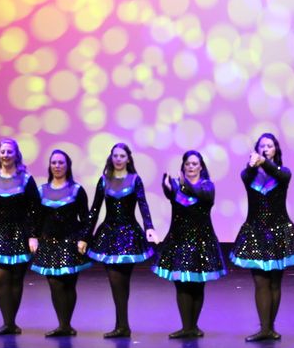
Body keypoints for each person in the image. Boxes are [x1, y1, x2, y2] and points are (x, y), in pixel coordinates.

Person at [229, 133, 294, 342]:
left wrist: (264, 162)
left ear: (276, 150)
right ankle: (264, 328)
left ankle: (271, 327)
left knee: (274, 282)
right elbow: (245, 175)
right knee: (260, 282)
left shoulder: (283, 173)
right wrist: (253, 165)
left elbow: (279, 174)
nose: (265, 148)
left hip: (279, 232)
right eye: (262, 146)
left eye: (269, 146)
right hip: (255, 233)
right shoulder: (249, 175)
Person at [86, 143, 158, 338]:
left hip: (129, 236)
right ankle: (122, 325)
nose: (118, 159)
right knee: (115, 281)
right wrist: (85, 236)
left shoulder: (135, 180)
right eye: (115, 156)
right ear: (111, 158)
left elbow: (143, 205)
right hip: (109, 235)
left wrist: (149, 227)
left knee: (122, 282)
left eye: (122, 156)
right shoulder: (104, 180)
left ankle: (122, 325)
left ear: (128, 159)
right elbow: (94, 210)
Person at [153, 150, 227, 338]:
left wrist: (184, 184)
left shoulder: (207, 186)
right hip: (179, 241)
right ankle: (187, 327)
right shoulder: (176, 185)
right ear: (183, 166)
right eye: (187, 164)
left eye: (194, 164)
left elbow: (203, 196)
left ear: (201, 167)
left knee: (197, 284)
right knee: (181, 284)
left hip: (202, 241)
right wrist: (166, 187)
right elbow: (171, 196)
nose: (191, 167)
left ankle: (193, 326)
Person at [0, 138, 40, 335]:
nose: (5, 155)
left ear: (16, 155)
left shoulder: (26, 179)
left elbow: (34, 210)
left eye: (9, 152)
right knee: (0, 277)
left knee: (16, 279)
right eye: (3, 151)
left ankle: (11, 323)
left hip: (19, 232)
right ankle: (7, 322)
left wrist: (33, 235)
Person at [30, 150, 91, 337]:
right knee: (55, 284)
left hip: (70, 242)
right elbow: (35, 217)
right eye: (54, 163)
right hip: (48, 242)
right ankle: (62, 325)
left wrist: (83, 238)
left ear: (67, 166)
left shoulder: (77, 190)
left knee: (68, 284)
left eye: (61, 162)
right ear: (50, 166)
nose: (57, 166)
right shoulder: (41, 190)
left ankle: (66, 325)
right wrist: (33, 236)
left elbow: (85, 218)